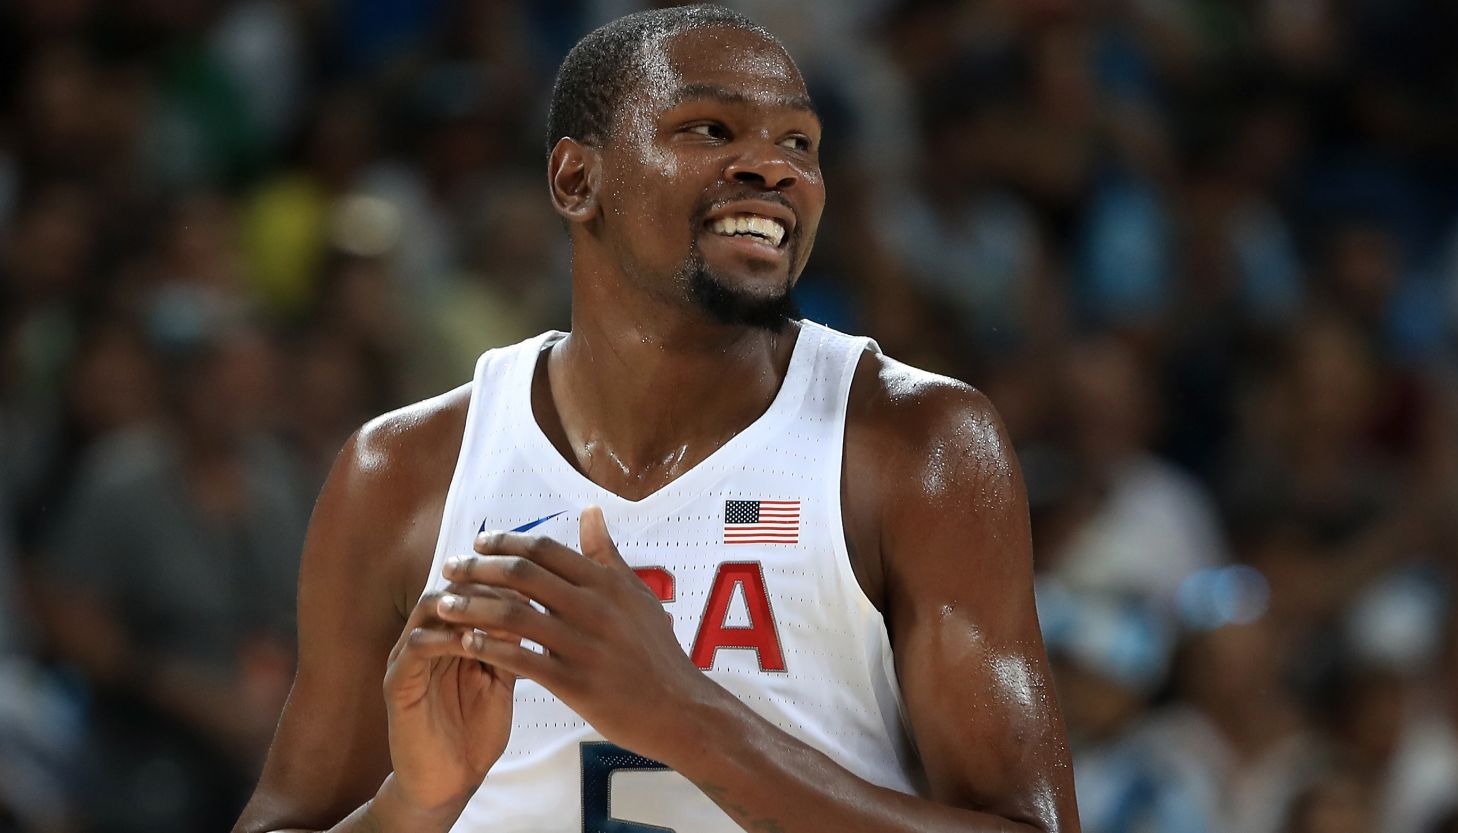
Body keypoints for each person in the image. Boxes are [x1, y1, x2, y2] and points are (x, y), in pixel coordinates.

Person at [233, 6, 1079, 833]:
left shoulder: (916, 444)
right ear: (576, 180)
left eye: (799, 143)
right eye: (710, 129)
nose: (771, 168)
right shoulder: (405, 471)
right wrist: (409, 809)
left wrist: (683, 716)